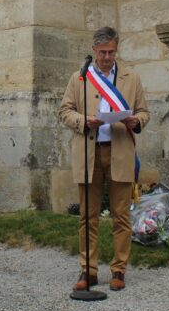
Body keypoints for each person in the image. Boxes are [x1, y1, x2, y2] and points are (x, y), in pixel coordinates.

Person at [58, 26, 149, 293]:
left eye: (111, 52)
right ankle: (89, 269)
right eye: (102, 52)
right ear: (94, 50)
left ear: (116, 49)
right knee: (89, 215)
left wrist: (136, 121)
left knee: (121, 214)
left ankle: (119, 269)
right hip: (89, 152)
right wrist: (83, 121)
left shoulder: (131, 78)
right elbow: (64, 111)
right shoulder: (80, 78)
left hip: (119, 149)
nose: (107, 57)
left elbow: (144, 111)